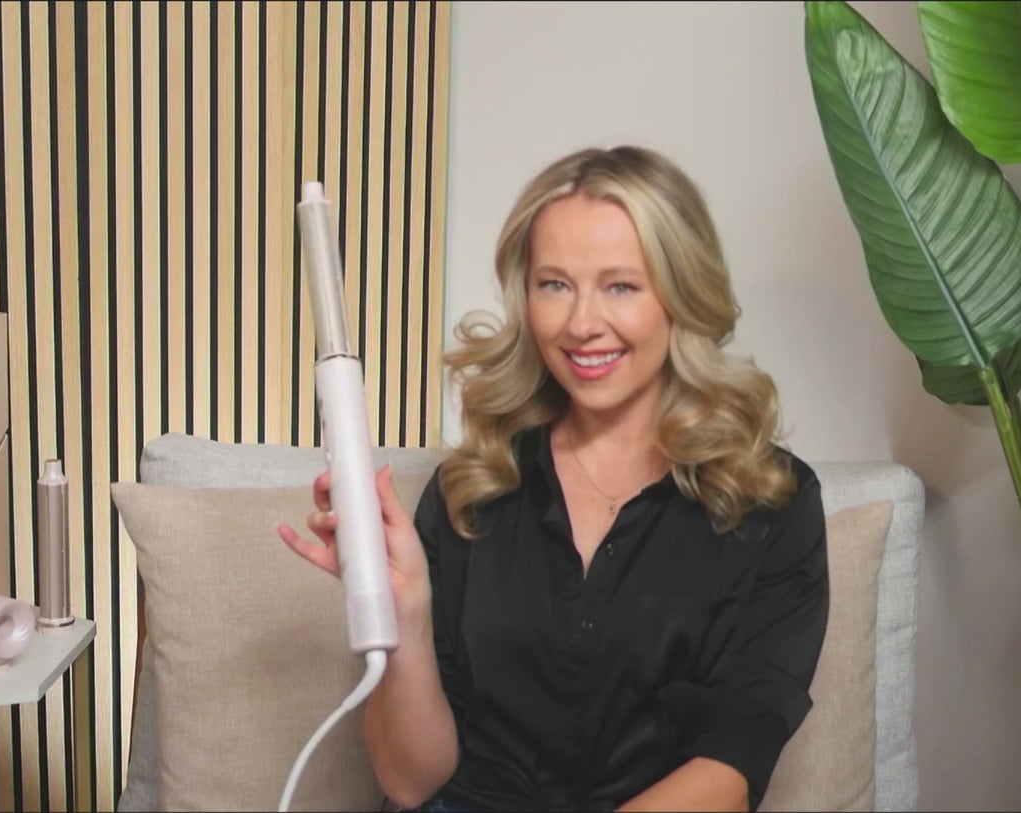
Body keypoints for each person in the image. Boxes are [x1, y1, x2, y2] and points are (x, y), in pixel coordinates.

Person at [278, 145, 828, 812]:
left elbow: (729, 770)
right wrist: (408, 613)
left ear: (681, 294)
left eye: (620, 286)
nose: (581, 324)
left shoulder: (770, 501)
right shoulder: (472, 489)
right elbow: (411, 780)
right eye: (554, 285)